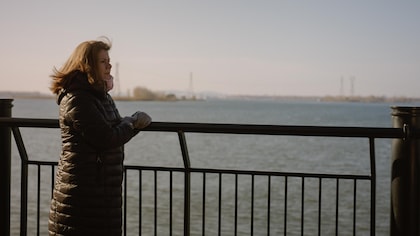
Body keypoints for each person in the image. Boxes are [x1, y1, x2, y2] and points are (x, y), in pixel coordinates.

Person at [48, 37, 151, 236]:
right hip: (82, 196)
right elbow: (106, 138)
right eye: (103, 61)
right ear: (86, 66)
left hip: (101, 194)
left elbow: (114, 129)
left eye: (109, 60)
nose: (110, 66)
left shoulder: (100, 96)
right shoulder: (77, 98)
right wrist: (132, 122)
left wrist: (131, 123)